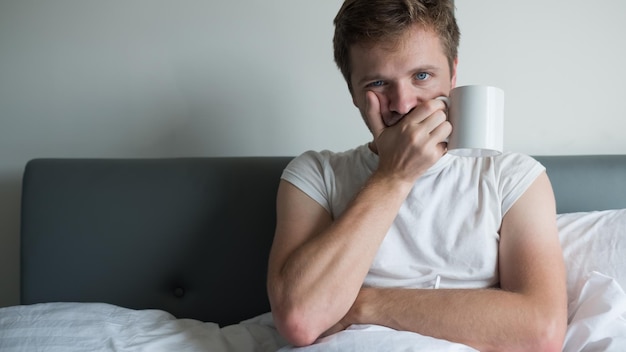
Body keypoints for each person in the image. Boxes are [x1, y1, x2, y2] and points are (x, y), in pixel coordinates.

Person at [267, 0, 568, 350]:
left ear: (453, 74)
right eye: (378, 82)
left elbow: (541, 332)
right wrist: (393, 177)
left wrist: (362, 305)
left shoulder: (513, 177)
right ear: (352, 91)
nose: (403, 103)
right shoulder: (315, 175)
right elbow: (300, 319)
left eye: (421, 76)